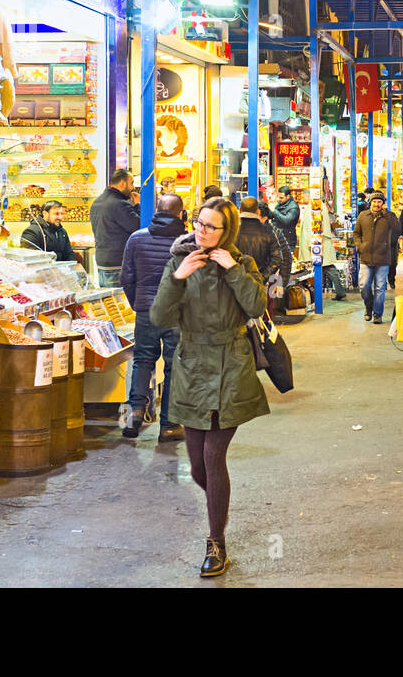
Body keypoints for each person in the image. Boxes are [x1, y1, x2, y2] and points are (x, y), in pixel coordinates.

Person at [149, 199, 268, 578]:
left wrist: (233, 269)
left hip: (232, 366)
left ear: (226, 232)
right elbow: (159, 317)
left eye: (210, 227)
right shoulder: (180, 262)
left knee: (214, 459)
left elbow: (256, 306)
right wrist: (177, 278)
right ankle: (219, 501)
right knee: (199, 465)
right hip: (191, 368)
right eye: (199, 223)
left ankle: (216, 542)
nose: (201, 231)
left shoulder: (243, 264)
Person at [119, 194, 187, 441]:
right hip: (177, 314)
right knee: (174, 367)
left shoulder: (136, 239)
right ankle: (169, 425)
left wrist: (138, 304)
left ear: (156, 210)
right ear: (181, 214)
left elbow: (126, 278)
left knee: (142, 361)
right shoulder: (188, 243)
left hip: (146, 311)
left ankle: (133, 416)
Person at [351, 191, 401, 324]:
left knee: (379, 287)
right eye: (374, 201)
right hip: (366, 256)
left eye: (379, 202)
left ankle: (377, 314)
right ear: (370, 203)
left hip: (383, 257)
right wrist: (359, 246)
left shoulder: (389, 216)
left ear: (383, 203)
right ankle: (369, 306)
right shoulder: (363, 216)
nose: (376, 204)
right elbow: (356, 233)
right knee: (364, 285)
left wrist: (388, 244)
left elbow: (398, 230)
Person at [91, 169, 141, 288]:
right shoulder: (119, 204)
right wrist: (138, 204)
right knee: (121, 303)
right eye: (132, 183)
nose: (133, 187)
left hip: (103, 261)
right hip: (117, 264)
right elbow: (138, 226)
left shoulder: (97, 202)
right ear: (122, 184)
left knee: (109, 302)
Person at [235, 197, 281, 283]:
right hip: (259, 284)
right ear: (258, 211)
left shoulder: (231, 231)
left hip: (235, 284)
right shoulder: (268, 232)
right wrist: (262, 278)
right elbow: (277, 259)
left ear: (240, 210)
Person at [262, 186, 300, 288]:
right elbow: (273, 215)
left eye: (282, 197)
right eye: (278, 197)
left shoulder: (293, 207)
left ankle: (283, 288)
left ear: (288, 196)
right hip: (277, 238)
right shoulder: (280, 204)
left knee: (285, 264)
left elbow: (286, 220)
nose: (279, 199)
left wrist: (274, 211)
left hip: (287, 239)